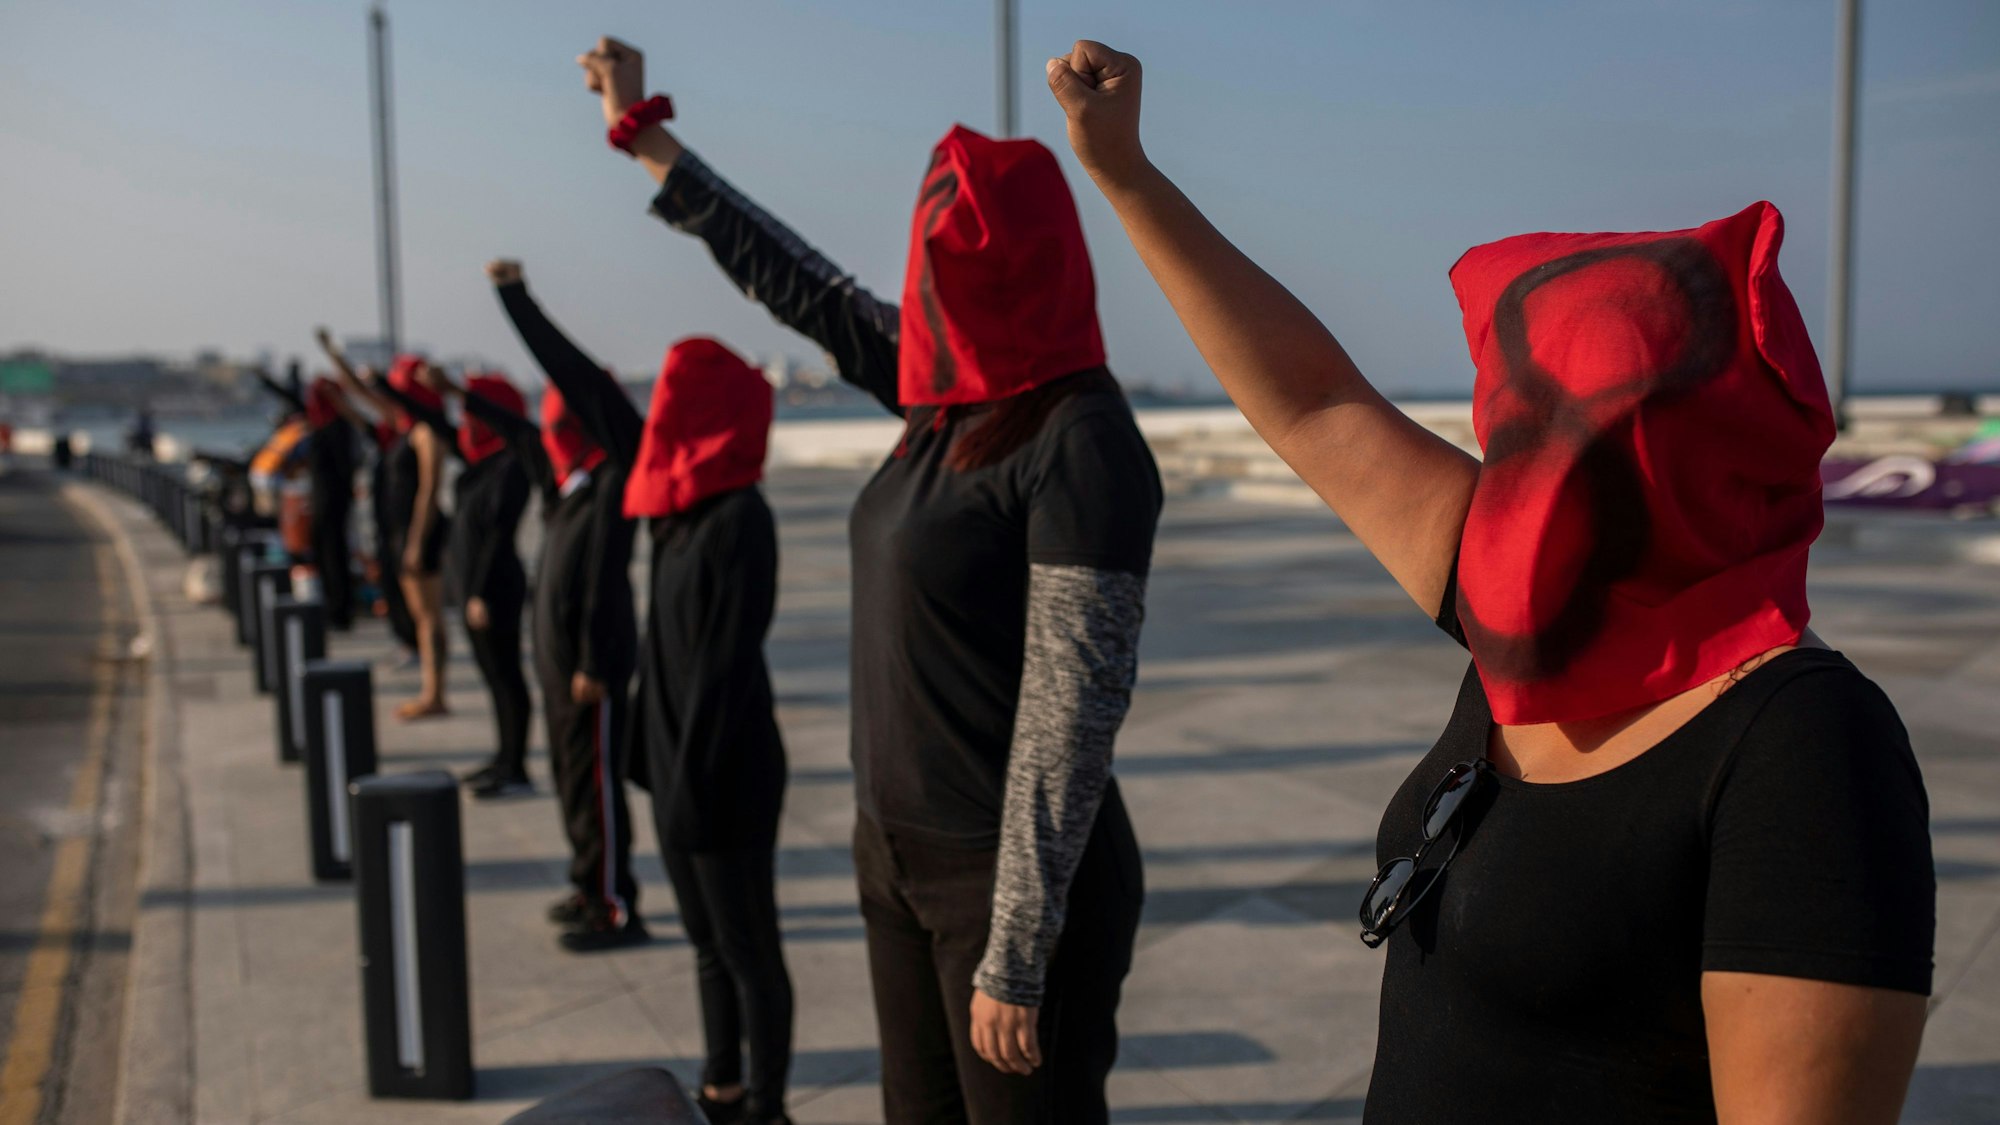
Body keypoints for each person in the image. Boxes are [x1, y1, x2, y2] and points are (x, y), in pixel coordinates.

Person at [1043, 40, 1935, 1123]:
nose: (1520, 474)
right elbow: (1316, 403)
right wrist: (1125, 174)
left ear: (1674, 452)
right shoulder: (1537, 615)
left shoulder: (1804, 750)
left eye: (1557, 432)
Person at [579, 37, 1162, 1123]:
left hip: (1007, 886)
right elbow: (799, 283)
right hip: (893, 856)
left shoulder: (1079, 438)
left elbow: (1069, 712)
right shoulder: (945, 402)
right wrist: (647, 138)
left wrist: (1017, 951)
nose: (931, 270)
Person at [486, 257, 794, 1123]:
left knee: (748, 948)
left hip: (725, 771)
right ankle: (722, 1083)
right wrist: (519, 303)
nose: (654, 419)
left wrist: (690, 781)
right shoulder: (675, 504)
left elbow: (726, 670)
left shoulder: (741, 520)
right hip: (673, 767)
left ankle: (769, 1108)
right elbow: (587, 391)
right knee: (703, 944)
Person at [454, 331, 646, 952]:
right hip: (558, 664)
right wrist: (460, 394)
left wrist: (592, 659)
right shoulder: (563, 486)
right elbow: (520, 435)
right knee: (570, 779)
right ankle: (587, 884)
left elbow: (604, 583)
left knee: (596, 785)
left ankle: (615, 905)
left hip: (592, 667)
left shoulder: (613, 480)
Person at [377, 366, 538, 798]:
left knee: (507, 678)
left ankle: (516, 765)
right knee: (491, 676)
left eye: (474, 410)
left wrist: (480, 593)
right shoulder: (479, 460)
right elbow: (434, 421)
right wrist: (385, 386)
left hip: (495, 588)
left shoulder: (514, 464)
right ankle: (502, 759)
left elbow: (499, 537)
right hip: (471, 586)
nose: (466, 422)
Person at [317, 330, 421, 660]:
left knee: (408, 591)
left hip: (404, 525)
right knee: (389, 583)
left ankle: (417, 645)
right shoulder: (387, 434)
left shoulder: (410, 428)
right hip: (385, 521)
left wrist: (335, 358)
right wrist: (337, 397)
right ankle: (406, 640)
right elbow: (356, 410)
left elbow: (361, 394)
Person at [301, 377, 365, 630]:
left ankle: (340, 611)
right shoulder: (321, 425)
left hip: (333, 502)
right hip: (322, 500)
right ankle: (331, 605)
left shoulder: (338, 426)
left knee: (335, 555)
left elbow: (344, 467)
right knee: (323, 554)